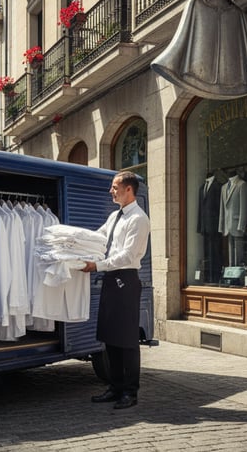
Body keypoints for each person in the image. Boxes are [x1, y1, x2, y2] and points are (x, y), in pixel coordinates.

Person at [81, 171, 151, 409]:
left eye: (114, 187)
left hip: (126, 279)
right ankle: (115, 387)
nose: (111, 191)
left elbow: (128, 255)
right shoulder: (114, 217)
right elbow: (98, 238)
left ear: (128, 189)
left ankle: (130, 392)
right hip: (110, 278)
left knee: (127, 340)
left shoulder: (139, 219)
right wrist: (72, 243)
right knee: (110, 337)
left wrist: (97, 265)